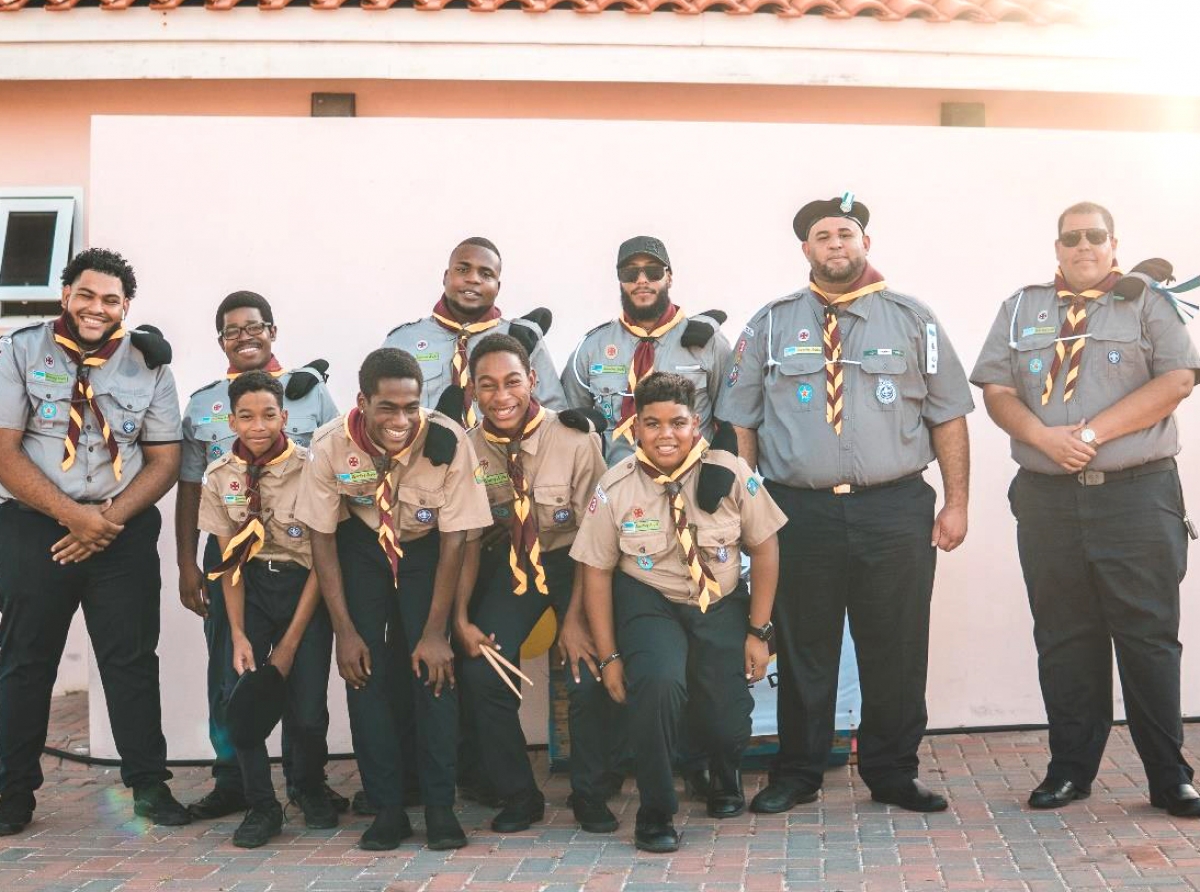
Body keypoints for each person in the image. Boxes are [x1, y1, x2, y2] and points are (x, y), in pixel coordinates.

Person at [718, 194, 973, 814]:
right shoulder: (770, 324)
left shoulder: (913, 320)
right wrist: (752, 501)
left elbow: (949, 416)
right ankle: (798, 772)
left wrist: (957, 503)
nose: (836, 244)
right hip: (798, 512)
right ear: (806, 249)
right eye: (823, 236)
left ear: (865, 244)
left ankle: (891, 772)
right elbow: (740, 418)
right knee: (806, 645)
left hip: (893, 508)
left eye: (847, 233)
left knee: (897, 646)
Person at [970, 202, 1200, 816]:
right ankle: (1071, 769)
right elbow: (996, 388)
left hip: (1136, 495)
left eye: (1094, 236)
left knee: (1148, 639)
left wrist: (1089, 434)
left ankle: (1168, 774)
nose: (1083, 246)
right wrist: (1045, 438)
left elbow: (1178, 380)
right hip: (1048, 500)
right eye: (1071, 238)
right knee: (1066, 639)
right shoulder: (1022, 308)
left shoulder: (1148, 301)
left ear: (1113, 242)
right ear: (1057, 247)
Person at [0, 248, 189, 834]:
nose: (96, 308)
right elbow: (4, 452)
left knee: (131, 660)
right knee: (25, 661)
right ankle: (11, 795)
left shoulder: (149, 364)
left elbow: (164, 460)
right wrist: (70, 517)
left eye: (111, 300)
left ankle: (149, 787)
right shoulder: (19, 350)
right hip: (35, 524)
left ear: (125, 306)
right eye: (86, 295)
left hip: (122, 526)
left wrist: (103, 521)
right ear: (66, 295)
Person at [573, 371, 784, 852]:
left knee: (727, 715)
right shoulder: (617, 485)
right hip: (650, 598)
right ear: (635, 428)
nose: (665, 434)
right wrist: (609, 656)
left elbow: (767, 548)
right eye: (652, 424)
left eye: (677, 422)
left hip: (720, 600)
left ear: (697, 424)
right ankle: (655, 811)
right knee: (659, 683)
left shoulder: (729, 470)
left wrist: (758, 630)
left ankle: (723, 772)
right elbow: (597, 572)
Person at [294, 347, 492, 850]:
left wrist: (434, 631)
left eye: (411, 406)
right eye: (388, 408)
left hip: (427, 551)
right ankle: (386, 809)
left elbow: (456, 538)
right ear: (363, 401)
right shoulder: (330, 444)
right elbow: (321, 537)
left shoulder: (446, 439)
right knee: (365, 674)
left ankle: (440, 808)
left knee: (434, 673)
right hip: (361, 549)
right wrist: (345, 631)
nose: (402, 420)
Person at [176, 290, 342, 823]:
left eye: (255, 327)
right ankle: (238, 785)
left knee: (303, 685)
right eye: (232, 330)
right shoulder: (203, 402)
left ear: (273, 330)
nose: (245, 337)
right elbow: (189, 483)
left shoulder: (311, 391)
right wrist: (186, 563)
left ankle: (304, 782)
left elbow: (342, 454)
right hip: (232, 556)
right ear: (219, 339)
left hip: (301, 551)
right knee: (231, 675)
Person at [454, 333, 616, 834]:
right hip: (511, 565)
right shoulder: (466, 450)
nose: (501, 397)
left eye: (512, 382)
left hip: (576, 562)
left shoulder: (574, 438)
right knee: (483, 672)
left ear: (533, 382)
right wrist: (460, 619)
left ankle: (590, 792)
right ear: (472, 392)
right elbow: (464, 537)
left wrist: (574, 621)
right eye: (488, 386)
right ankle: (519, 795)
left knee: (588, 671)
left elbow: (597, 536)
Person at [199, 371, 334, 847]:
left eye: (269, 415)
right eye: (247, 416)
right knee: (244, 699)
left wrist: (291, 643)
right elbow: (228, 561)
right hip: (249, 588)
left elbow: (322, 561)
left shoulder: (312, 470)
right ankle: (262, 804)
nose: (258, 426)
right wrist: (236, 632)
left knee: (309, 705)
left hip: (305, 589)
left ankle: (308, 786)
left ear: (285, 416)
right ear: (231, 419)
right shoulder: (219, 478)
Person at [561, 235, 732, 466]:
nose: (642, 280)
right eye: (630, 273)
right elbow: (570, 426)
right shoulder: (592, 347)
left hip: (692, 484)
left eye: (653, 272)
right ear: (620, 281)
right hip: (617, 486)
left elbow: (731, 422)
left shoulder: (709, 344)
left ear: (669, 277)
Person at [383, 236, 566, 421]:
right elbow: (380, 414)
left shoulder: (523, 339)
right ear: (446, 277)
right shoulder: (402, 342)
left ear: (498, 287)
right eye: (463, 269)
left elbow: (554, 416)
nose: (473, 279)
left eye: (486, 274)